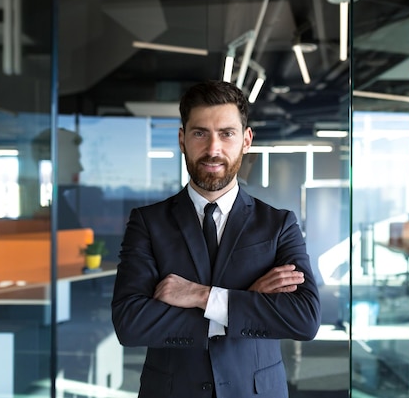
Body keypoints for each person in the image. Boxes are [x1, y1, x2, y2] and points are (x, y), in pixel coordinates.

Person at [111, 80, 321, 398]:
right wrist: (245, 301)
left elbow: (304, 318)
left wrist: (202, 296)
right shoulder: (148, 223)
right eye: (200, 133)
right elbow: (130, 323)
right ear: (182, 139)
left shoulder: (278, 224)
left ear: (246, 140)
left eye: (226, 133)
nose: (213, 149)